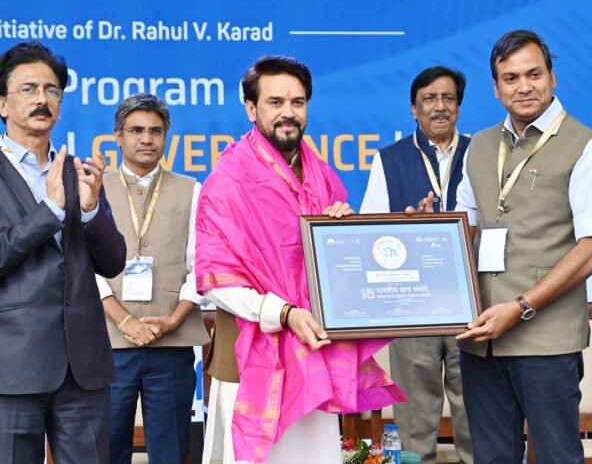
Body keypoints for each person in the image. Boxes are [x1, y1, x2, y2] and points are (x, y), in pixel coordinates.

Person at [196, 55, 403, 464]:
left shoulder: (322, 176)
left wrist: (344, 235)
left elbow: (337, 272)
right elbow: (217, 281)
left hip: (313, 352)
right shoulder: (227, 181)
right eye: (275, 102)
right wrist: (284, 313)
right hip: (249, 356)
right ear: (251, 109)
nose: (288, 113)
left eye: (297, 102)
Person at [452, 30, 592, 463]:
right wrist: (425, 240)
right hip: (482, 339)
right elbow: (463, 231)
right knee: (491, 458)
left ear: (552, 77)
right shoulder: (479, 145)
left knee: (556, 457)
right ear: (496, 87)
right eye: (510, 78)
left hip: (546, 340)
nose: (523, 87)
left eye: (534, 74)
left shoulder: (588, 148)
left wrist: (520, 306)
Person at [0, 41, 126, 463]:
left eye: (51, 90)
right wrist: (50, 211)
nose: (42, 99)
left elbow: (113, 262)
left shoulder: (77, 172)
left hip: (82, 368)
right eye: (28, 89)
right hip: (12, 367)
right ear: (2, 104)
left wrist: (90, 212)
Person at [361, 66, 473, 464]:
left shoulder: (480, 153)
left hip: (472, 306)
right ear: (414, 109)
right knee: (415, 420)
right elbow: (371, 234)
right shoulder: (389, 160)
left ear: (458, 106)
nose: (439, 107)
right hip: (412, 307)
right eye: (429, 99)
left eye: (448, 98)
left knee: (477, 415)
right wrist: (407, 229)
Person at [96, 94, 210, 464]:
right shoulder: (93, 189)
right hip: (108, 343)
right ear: (118, 137)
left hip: (172, 344)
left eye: (156, 131)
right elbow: (83, 266)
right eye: (136, 130)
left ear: (166, 137)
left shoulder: (192, 189)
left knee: (171, 451)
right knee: (105, 449)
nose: (146, 139)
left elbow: (202, 263)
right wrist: (124, 320)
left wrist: (174, 319)